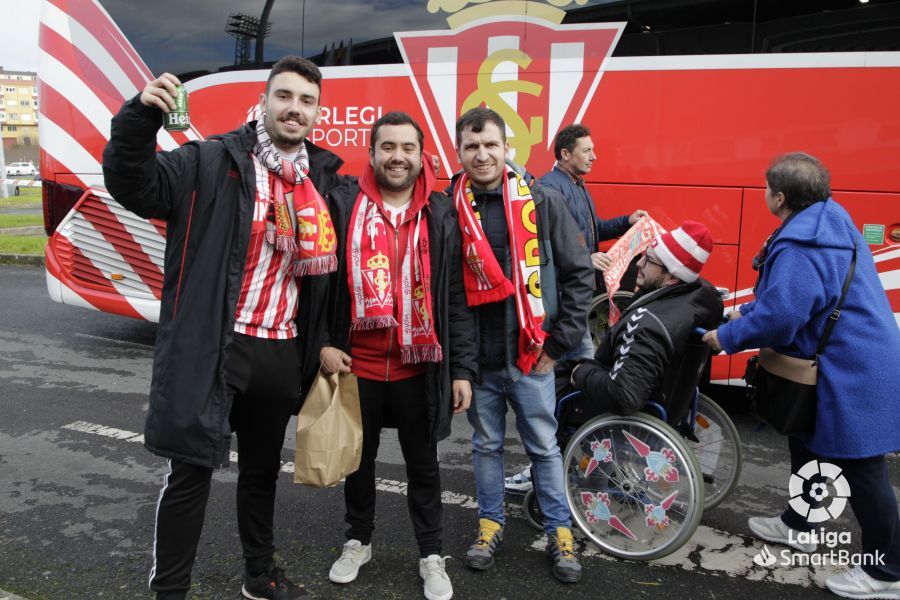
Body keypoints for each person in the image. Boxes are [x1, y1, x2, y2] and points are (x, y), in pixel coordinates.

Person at [102, 56, 343, 600]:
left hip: (281, 349)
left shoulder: (320, 182)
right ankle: (170, 591)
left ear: (317, 112)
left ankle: (260, 577)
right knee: (190, 473)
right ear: (263, 101)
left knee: (261, 474)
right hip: (219, 344)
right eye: (285, 96)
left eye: (307, 101)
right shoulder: (212, 160)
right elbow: (134, 182)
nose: (294, 109)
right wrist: (140, 118)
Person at [702, 153, 900, 599]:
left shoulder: (801, 245)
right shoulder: (830, 222)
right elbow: (796, 298)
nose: (763, 193)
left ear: (780, 196)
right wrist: (746, 311)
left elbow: (783, 317)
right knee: (807, 440)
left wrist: (727, 336)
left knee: (863, 469)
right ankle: (800, 524)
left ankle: (889, 572)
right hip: (848, 357)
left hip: (854, 368)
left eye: (765, 187)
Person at [317, 112, 477, 600]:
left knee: (423, 466)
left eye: (407, 148)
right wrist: (324, 342)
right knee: (357, 462)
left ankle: (431, 555)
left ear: (421, 154)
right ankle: (357, 541)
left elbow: (455, 296)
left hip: (417, 367)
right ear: (372, 152)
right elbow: (322, 281)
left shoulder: (441, 213)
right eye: (388, 147)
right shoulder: (343, 203)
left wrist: (462, 369)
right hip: (357, 365)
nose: (398, 157)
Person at [451, 107, 593, 583]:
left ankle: (560, 532)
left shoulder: (542, 200)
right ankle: (490, 524)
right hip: (479, 362)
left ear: (507, 148)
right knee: (485, 446)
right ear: (460, 152)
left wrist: (558, 343)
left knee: (544, 448)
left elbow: (578, 276)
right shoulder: (449, 208)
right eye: (472, 146)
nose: (482, 154)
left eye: (491, 144)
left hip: (532, 357)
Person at [569, 221, 723, 414]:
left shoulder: (647, 326)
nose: (639, 263)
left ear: (672, 277)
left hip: (607, 416)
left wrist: (581, 373)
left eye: (649, 260)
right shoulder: (698, 297)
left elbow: (624, 397)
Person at [538, 124, 647, 360]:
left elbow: (593, 229)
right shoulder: (550, 189)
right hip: (563, 301)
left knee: (578, 365)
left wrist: (627, 221)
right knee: (579, 363)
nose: (594, 157)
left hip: (575, 299)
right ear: (565, 154)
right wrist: (586, 259)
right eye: (586, 150)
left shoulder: (576, 185)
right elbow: (541, 247)